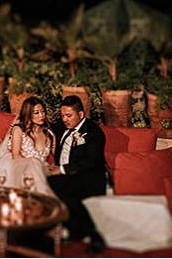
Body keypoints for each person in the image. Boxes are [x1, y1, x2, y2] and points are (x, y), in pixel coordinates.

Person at [47, 95, 107, 252]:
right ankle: (70, 232)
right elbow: (41, 124)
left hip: (89, 177)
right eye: (62, 115)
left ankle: (94, 236)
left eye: (68, 115)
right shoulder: (61, 126)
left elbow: (91, 162)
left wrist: (61, 169)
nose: (65, 119)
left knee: (60, 188)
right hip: (66, 175)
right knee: (47, 183)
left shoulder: (94, 132)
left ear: (80, 114)